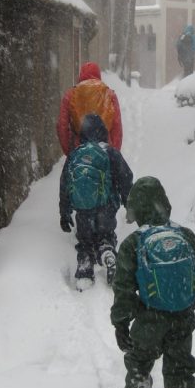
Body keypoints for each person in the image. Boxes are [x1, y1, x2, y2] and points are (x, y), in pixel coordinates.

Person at [110, 176, 195, 388]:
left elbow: (124, 288)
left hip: (149, 318)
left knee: (140, 359)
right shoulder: (185, 235)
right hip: (183, 316)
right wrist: (186, 302)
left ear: (138, 209)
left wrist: (121, 322)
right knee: (180, 363)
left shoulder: (134, 243)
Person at [59, 113, 133, 290]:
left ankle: (85, 269)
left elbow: (65, 184)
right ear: (103, 132)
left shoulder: (76, 154)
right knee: (106, 235)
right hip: (107, 206)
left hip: (83, 208)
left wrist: (65, 212)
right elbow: (125, 177)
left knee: (85, 241)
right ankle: (107, 251)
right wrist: (127, 200)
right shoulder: (110, 152)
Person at [56, 62, 123, 155]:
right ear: (99, 76)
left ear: (81, 76)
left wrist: (69, 152)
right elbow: (116, 127)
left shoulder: (70, 95)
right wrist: (113, 153)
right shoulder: (109, 95)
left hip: (79, 151)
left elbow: (62, 126)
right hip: (104, 151)